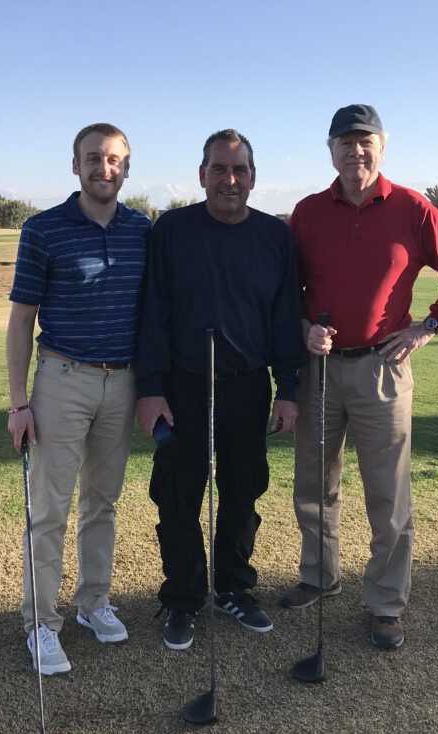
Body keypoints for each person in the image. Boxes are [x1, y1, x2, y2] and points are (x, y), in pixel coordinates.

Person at [279, 104, 438, 650]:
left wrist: (429, 326)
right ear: (330, 150)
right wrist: (302, 327)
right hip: (319, 367)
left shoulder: (413, 208)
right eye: (344, 142)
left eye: (365, 140)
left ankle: (386, 603)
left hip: (382, 370)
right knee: (312, 486)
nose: (355, 150)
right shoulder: (307, 212)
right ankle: (320, 575)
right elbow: (287, 290)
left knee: (387, 494)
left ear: (383, 146)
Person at [135, 129, 303, 650]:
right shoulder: (172, 230)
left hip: (247, 388)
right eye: (219, 169)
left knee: (241, 492)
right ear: (201, 174)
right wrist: (149, 388)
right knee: (179, 497)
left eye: (240, 170)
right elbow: (153, 314)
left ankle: (233, 587)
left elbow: (282, 317)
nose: (229, 179)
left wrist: (289, 388)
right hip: (183, 388)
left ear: (253, 177)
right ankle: (183, 596)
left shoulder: (275, 237)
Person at [6, 122, 151, 674]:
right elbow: (21, 319)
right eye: (94, 158)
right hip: (62, 379)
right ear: (76, 165)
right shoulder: (44, 229)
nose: (104, 168)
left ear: (127, 167)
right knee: (50, 510)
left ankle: (94, 604)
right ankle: (41, 623)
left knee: (103, 503)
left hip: (125, 380)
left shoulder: (142, 228)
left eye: (114, 160)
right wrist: (19, 401)